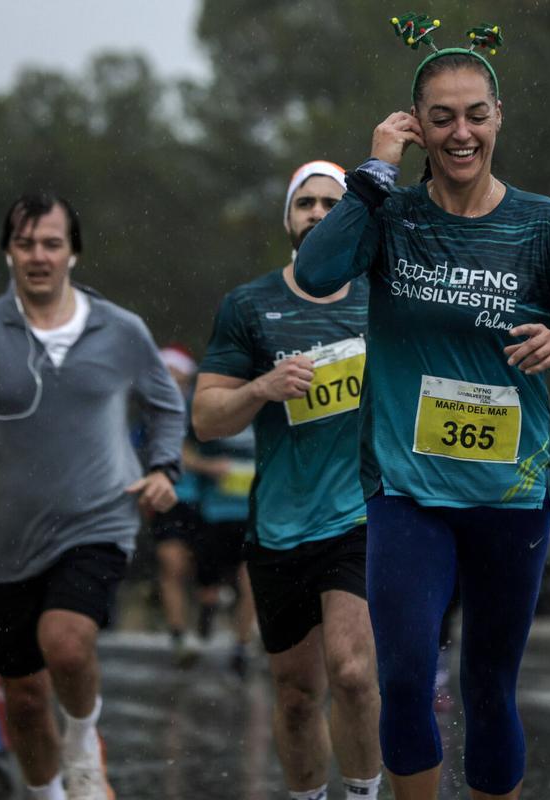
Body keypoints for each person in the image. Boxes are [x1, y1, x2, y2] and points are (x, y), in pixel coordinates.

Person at [295, 21, 550, 799]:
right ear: (415, 124)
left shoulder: (546, 225)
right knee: (406, 679)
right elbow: (316, 272)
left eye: (475, 114)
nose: (460, 132)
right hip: (408, 493)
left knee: (487, 685)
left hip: (510, 494)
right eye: (440, 117)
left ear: (499, 116)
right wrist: (373, 171)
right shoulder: (391, 216)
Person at [0, 192, 185, 800]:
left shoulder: (120, 330)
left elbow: (166, 404)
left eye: (52, 243)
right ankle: (47, 795)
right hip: (8, 540)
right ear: (8, 252)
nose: (39, 256)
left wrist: (164, 468)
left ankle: (85, 740)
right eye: (26, 243)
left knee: (66, 643)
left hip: (98, 518)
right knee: (27, 697)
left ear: (74, 254)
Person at [191, 160, 382, 800]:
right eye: (307, 205)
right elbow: (207, 417)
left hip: (359, 515)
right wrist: (262, 388)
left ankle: (362, 794)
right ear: (289, 219)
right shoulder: (248, 306)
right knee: (299, 695)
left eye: (332, 204)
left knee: (353, 672)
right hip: (278, 523)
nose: (319, 215)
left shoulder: (378, 299)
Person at [152, 345, 256, 674]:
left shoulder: (273, 397)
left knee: (250, 577)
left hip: (255, 507)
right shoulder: (195, 402)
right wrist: (209, 467)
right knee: (183, 569)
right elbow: (178, 447)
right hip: (201, 507)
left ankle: (240, 648)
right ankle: (184, 635)